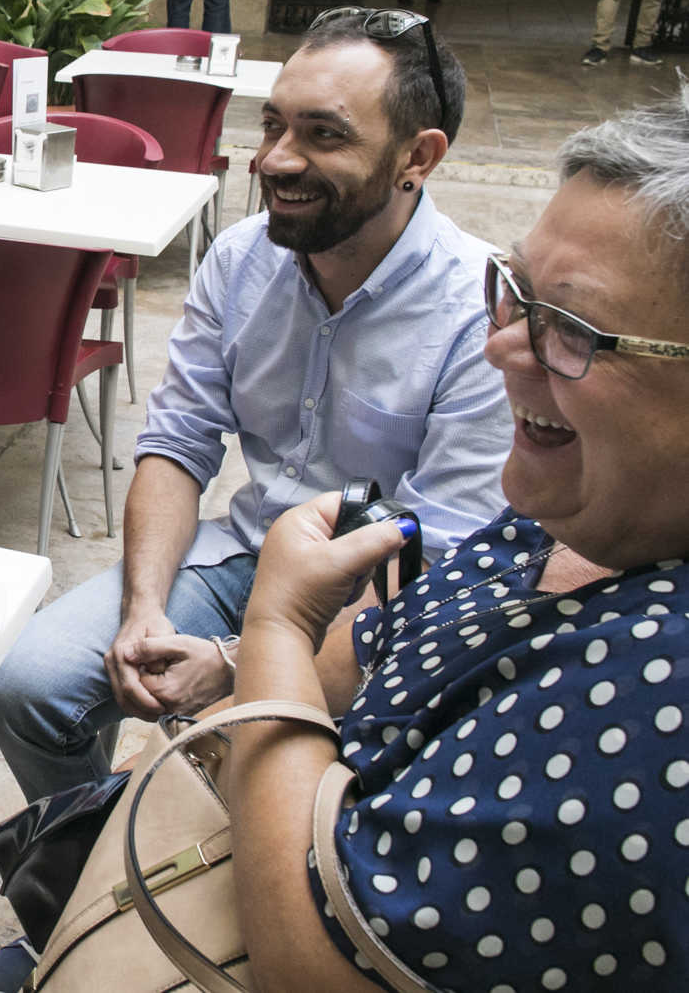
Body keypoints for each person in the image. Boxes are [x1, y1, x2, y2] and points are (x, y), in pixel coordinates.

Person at [0, 8, 512, 993]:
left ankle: (228, 907)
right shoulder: (240, 261)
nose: (274, 159)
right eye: (271, 125)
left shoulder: (480, 312)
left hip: (375, 616)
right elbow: (176, 443)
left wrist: (234, 668)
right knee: (30, 683)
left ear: (417, 157)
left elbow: (439, 559)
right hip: (243, 555)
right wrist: (143, 608)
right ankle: (96, 887)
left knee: (287, 761)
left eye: (322, 134)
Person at [221, 89, 689, 989]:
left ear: (416, 159)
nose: (503, 347)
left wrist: (273, 632)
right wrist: (229, 685)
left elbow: (314, 964)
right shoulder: (584, 505)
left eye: (576, 332)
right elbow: (389, 642)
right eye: (513, 293)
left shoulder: (654, 696)